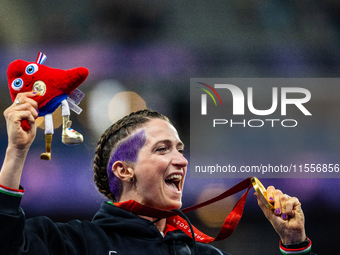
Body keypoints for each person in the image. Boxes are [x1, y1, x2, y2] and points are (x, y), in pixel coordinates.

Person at [0, 92, 315, 255]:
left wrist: (294, 242)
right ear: (124, 171)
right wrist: (16, 152)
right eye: (163, 149)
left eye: (180, 148)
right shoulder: (77, 243)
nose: (181, 160)